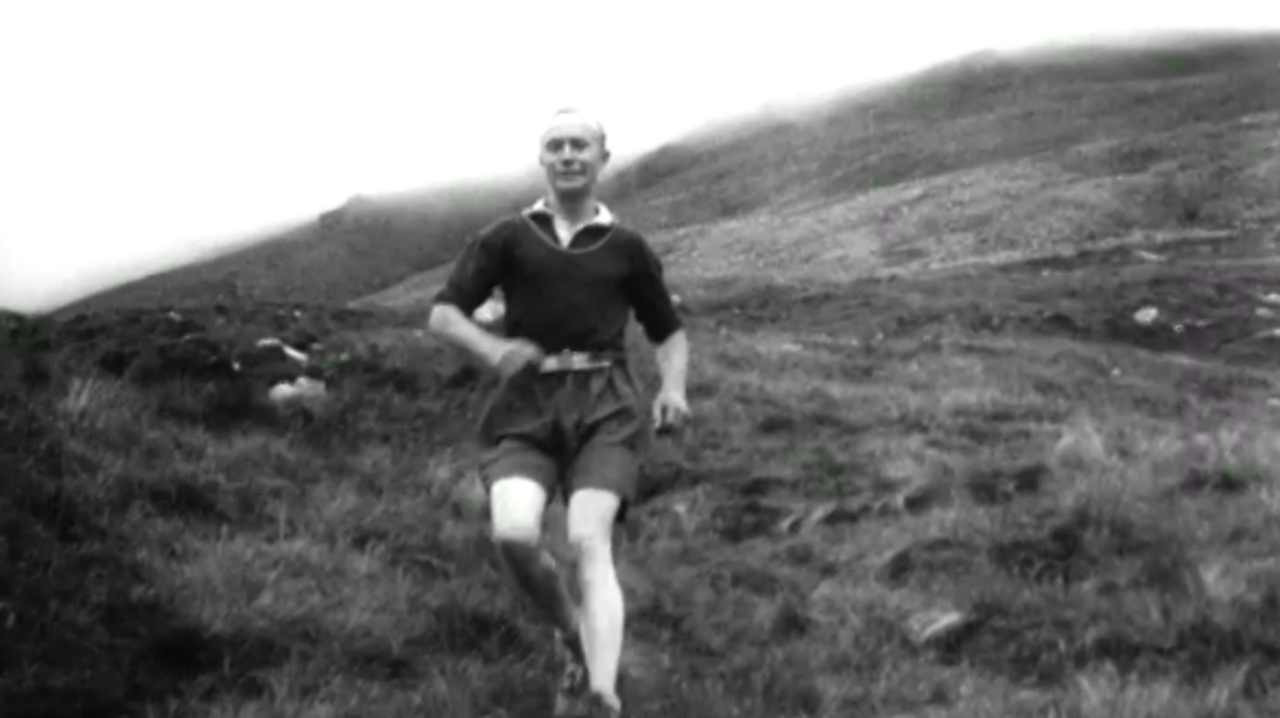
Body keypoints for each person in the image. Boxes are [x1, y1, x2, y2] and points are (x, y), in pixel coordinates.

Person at [427, 108, 691, 717]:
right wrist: (493, 349)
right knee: (514, 534)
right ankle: (574, 635)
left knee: (587, 538)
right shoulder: (507, 236)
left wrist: (672, 389)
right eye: (556, 146)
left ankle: (601, 693)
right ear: (542, 160)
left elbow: (668, 333)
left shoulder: (627, 247)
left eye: (580, 145)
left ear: (602, 158)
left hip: (606, 406)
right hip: (525, 405)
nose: (568, 155)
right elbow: (443, 314)